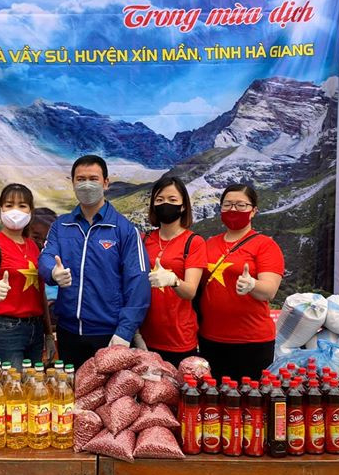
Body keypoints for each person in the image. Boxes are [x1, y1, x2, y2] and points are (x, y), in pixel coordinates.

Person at [38, 155, 150, 366]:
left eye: (93, 178)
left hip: (108, 334)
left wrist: (125, 332)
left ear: (106, 183)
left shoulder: (124, 230)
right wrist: (52, 272)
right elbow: (46, 256)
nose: (86, 185)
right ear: (73, 183)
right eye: (81, 179)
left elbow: (138, 283)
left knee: (110, 388)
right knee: (72, 386)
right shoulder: (61, 226)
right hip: (68, 331)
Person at [198, 184, 284, 381]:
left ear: (253, 211)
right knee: (212, 397)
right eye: (227, 204)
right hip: (210, 339)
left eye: (241, 205)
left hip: (252, 342)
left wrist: (253, 285)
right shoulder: (209, 244)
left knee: (248, 398)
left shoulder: (266, 245)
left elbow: (269, 290)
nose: (233, 209)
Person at [0, 183, 55, 368]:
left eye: (22, 206)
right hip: (5, 330)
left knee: (33, 384)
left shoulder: (33, 246)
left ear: (30, 212)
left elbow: (40, 293)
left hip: (35, 329)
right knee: (11, 385)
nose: (15, 211)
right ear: (0, 210)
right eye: (9, 205)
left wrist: (48, 333)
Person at [139, 176, 206, 366]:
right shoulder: (143, 239)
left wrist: (173, 280)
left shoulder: (193, 242)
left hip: (179, 338)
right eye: (159, 200)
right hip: (144, 336)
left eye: (172, 199)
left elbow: (190, 291)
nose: (165, 204)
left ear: (183, 206)